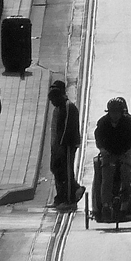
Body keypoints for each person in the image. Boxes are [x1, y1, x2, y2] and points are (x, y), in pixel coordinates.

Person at [47, 80, 85, 209]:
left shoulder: (68, 107)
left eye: (54, 99)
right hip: (58, 146)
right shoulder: (58, 108)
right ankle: (62, 196)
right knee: (57, 170)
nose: (52, 102)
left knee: (66, 172)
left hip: (66, 146)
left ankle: (69, 199)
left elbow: (67, 129)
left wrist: (62, 146)